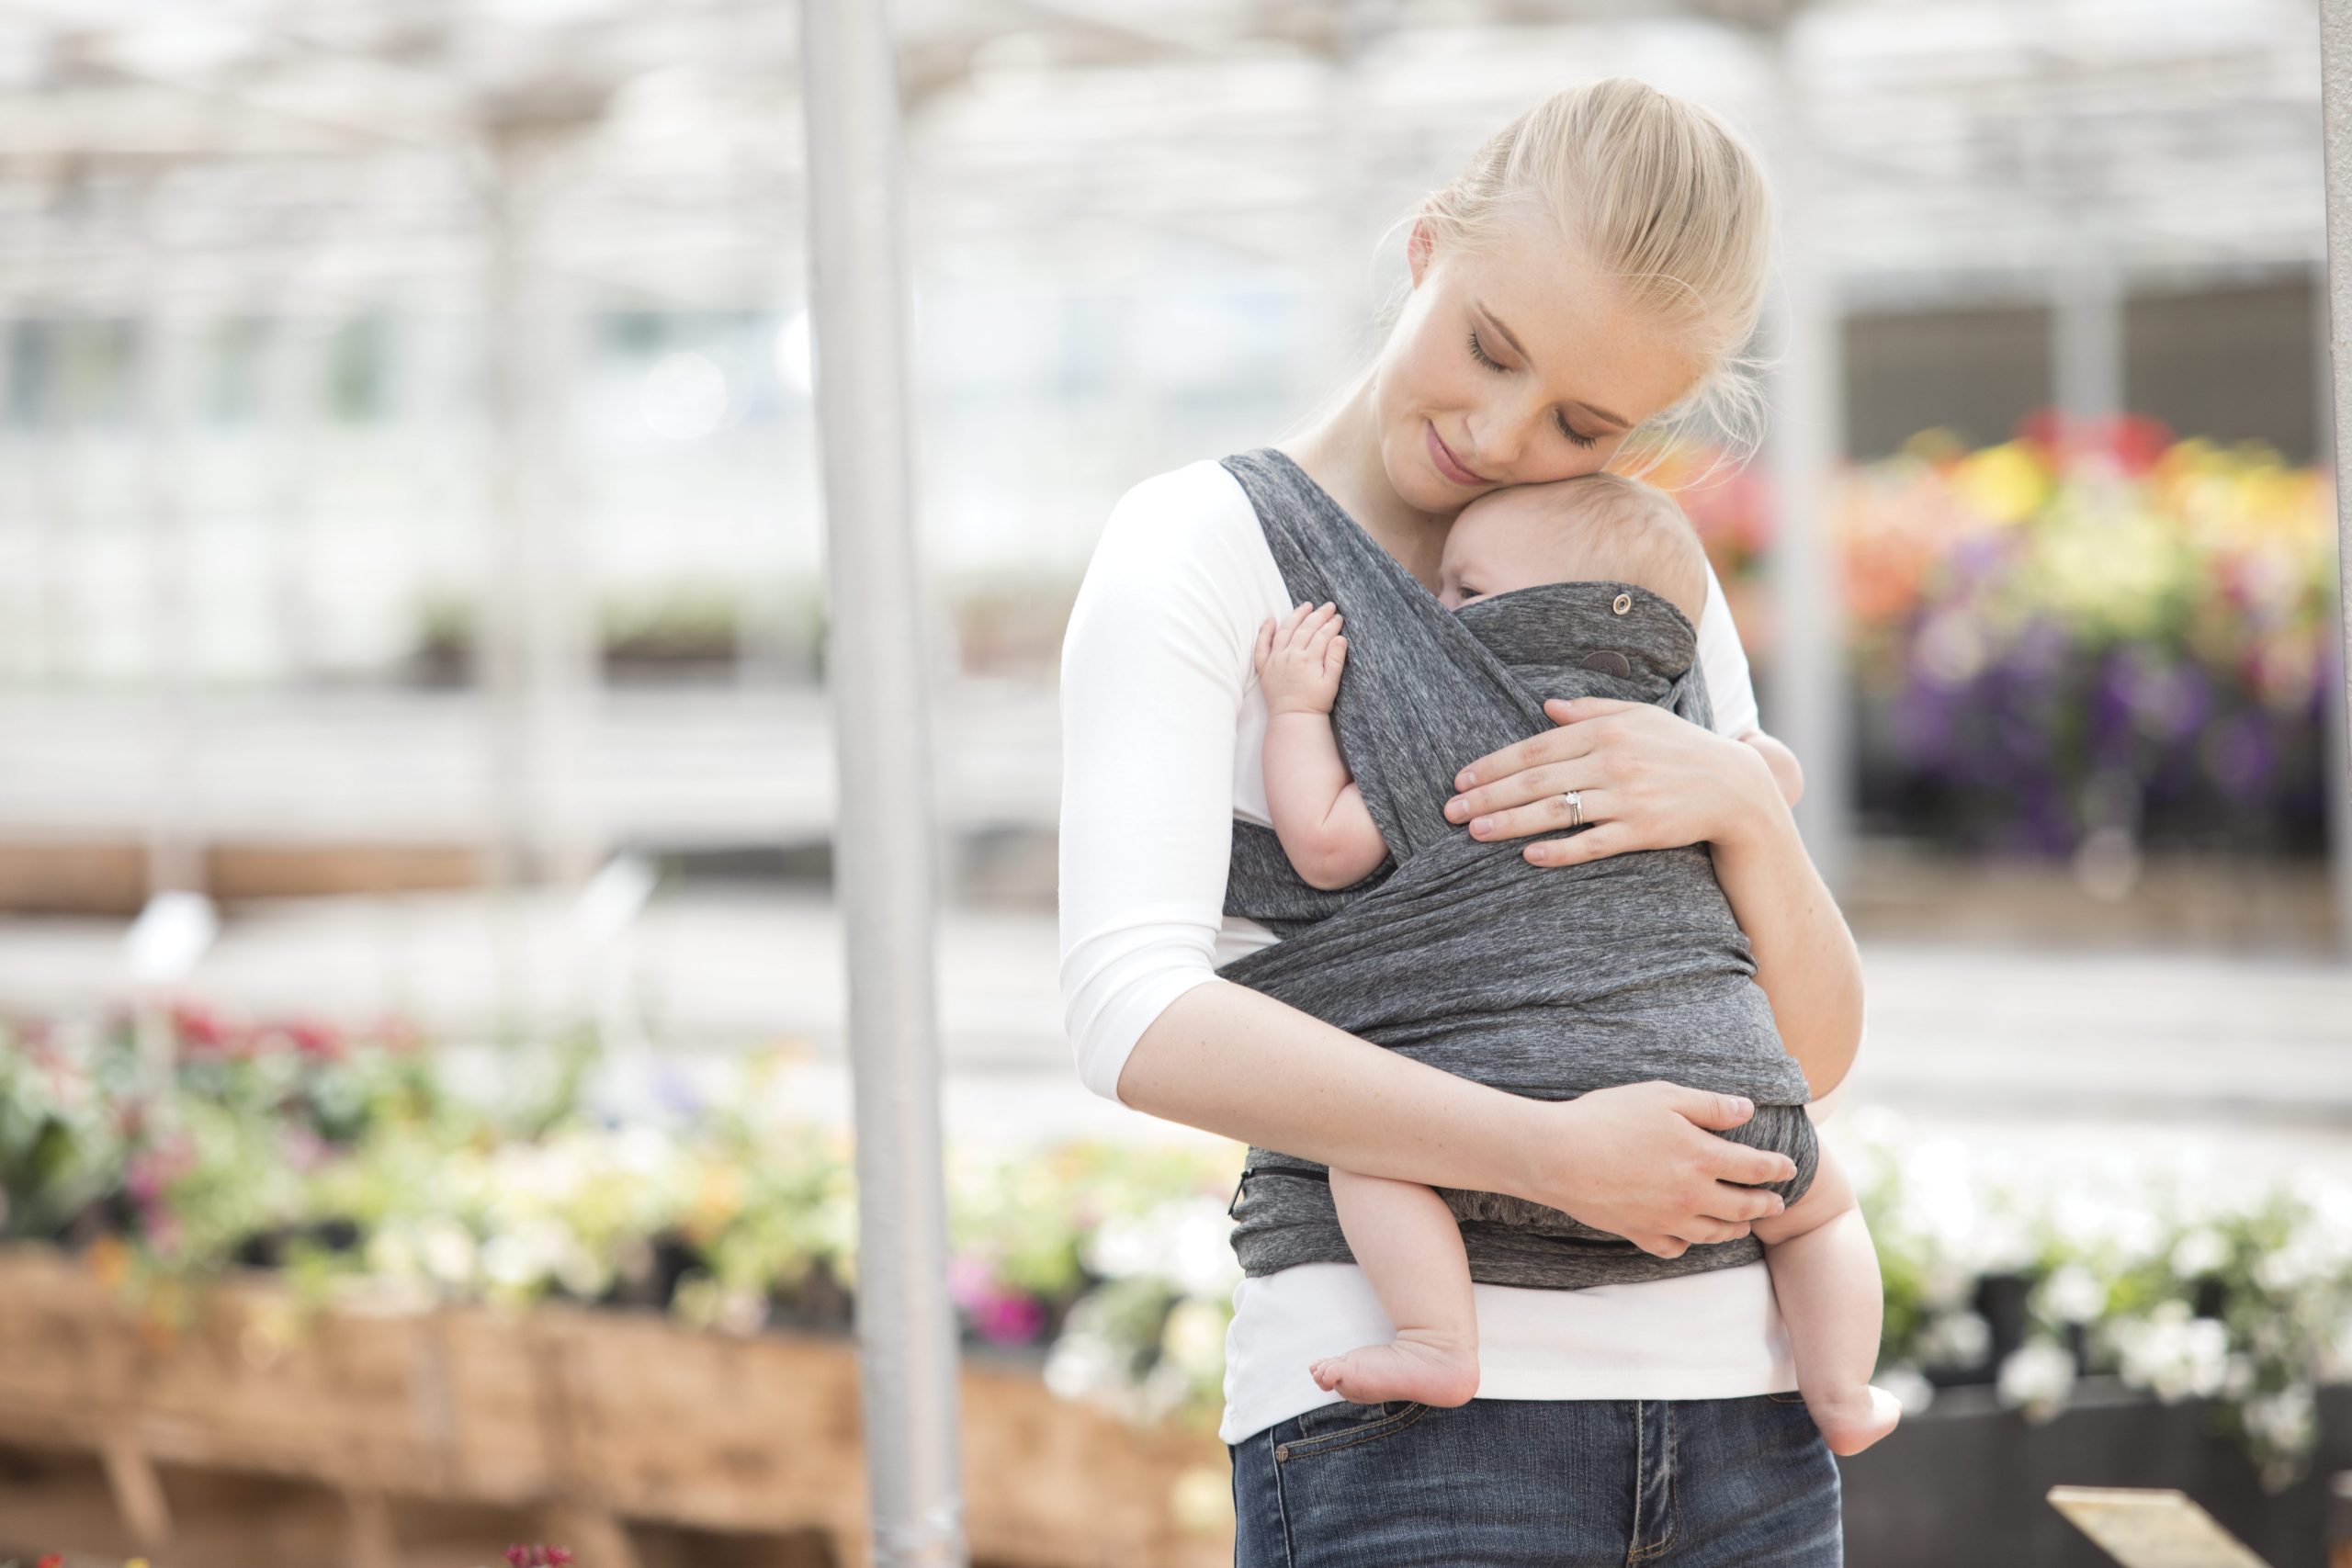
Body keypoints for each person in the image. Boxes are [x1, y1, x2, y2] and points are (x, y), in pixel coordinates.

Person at [1057, 76, 1867, 1564]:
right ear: (1427, 246)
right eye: (1491, 348)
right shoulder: (1207, 545)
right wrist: (1544, 1152)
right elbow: (1129, 1011)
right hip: (1413, 1435)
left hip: (1751, 1417)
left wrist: (1752, 818)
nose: (1498, 432)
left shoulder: (1641, 576)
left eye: (1583, 418)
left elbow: (1799, 1058)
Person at [1250, 470, 1900, 1458]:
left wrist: (1300, 711)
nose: (1433, 609)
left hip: (1505, 1105)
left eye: (1462, 590)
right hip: (1725, 1108)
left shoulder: (1446, 733)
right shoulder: (1677, 747)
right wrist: (1747, 774)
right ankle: (1844, 1389)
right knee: (1818, 1208)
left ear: (1540, 611)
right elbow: (1774, 774)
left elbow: (1326, 847)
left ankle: (1435, 1337)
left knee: (1367, 1153)